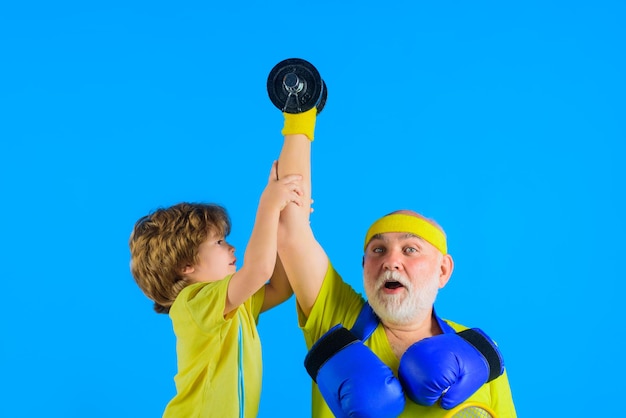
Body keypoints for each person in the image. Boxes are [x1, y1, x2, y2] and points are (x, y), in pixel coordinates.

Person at [274, 107, 517, 417]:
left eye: (410, 249)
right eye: (378, 250)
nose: (391, 261)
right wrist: (299, 116)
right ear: (363, 267)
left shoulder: (476, 356)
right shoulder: (340, 322)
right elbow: (291, 228)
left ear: (443, 270)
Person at [128, 161, 301, 417]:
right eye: (219, 242)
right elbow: (259, 270)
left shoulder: (233, 302)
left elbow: (280, 288)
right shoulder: (194, 302)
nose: (232, 248)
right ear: (186, 264)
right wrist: (269, 206)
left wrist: (283, 225)